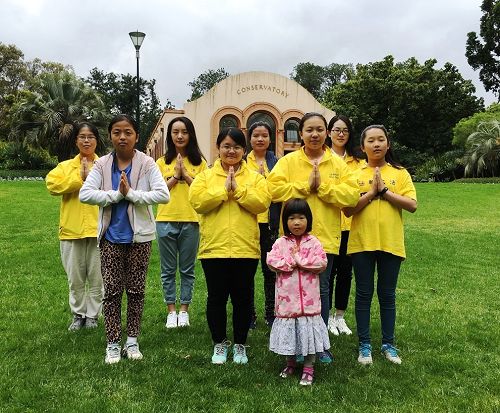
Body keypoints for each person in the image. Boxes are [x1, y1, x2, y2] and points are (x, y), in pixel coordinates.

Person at [267, 112, 359, 363]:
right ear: (301, 133)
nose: (315, 134)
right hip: (291, 240)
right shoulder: (288, 162)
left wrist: (324, 189)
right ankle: (294, 345)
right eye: (309, 130)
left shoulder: (337, 164)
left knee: (321, 290)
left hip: (325, 237)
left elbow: (351, 196)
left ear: (326, 133)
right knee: (291, 290)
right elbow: (273, 190)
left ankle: (319, 346)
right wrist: (305, 188)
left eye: (320, 129)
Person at [80, 114, 170, 364]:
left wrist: (132, 194)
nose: (122, 137)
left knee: (136, 291)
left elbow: (163, 195)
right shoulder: (101, 165)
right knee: (111, 292)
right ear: (110, 135)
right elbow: (85, 194)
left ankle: (131, 341)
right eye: (117, 132)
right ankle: (112, 342)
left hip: (139, 239)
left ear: (136, 136)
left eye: (128, 132)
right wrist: (116, 196)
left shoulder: (147, 163)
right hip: (110, 237)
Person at [189, 127, 271, 365]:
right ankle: (219, 343)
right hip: (214, 248)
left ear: (244, 150)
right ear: (218, 148)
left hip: (245, 248)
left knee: (243, 298)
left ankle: (240, 344)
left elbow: (262, 203)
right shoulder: (205, 176)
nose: (231, 151)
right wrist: (223, 191)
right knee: (216, 298)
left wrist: (239, 190)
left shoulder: (255, 177)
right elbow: (198, 203)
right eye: (226, 146)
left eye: (236, 147)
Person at [343, 125, 417, 366]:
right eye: (371, 140)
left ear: (388, 144)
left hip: (390, 242)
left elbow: (411, 204)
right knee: (363, 294)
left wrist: (384, 191)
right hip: (362, 242)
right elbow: (348, 209)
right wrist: (370, 193)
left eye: (381, 140)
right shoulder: (353, 174)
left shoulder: (400, 173)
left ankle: (388, 344)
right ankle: (364, 345)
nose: (376, 144)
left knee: (387, 295)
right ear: (362, 146)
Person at [46, 122, 103, 331]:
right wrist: (80, 178)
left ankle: (93, 315)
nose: (86, 141)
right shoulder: (65, 167)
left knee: (97, 278)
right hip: (72, 231)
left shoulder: (104, 164)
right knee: (76, 278)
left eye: (90, 137)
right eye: (82, 137)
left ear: (97, 141)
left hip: (99, 230)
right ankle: (78, 314)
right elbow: (52, 185)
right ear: (76, 140)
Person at [267, 198, 329, 386]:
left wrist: (302, 261)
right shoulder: (280, 243)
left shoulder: (314, 242)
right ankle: (290, 362)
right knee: (290, 335)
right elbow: (271, 261)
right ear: (285, 221)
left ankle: (309, 366)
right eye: (292, 218)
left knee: (308, 335)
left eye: (301, 217)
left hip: (309, 304)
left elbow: (322, 262)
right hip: (287, 303)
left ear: (308, 220)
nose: (296, 222)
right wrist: (289, 264)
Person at [156, 117, 207, 329]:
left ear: (191, 135)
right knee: (168, 270)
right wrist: (175, 177)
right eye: (175, 132)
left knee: (187, 269)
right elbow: (158, 193)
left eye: (184, 132)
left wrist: (185, 175)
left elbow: (203, 191)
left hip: (191, 221)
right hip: (165, 219)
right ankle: (171, 311)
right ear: (170, 136)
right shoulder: (160, 163)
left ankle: (184, 310)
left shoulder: (200, 163)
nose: (179, 136)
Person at [326, 115, 365, 336]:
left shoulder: (357, 161)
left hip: (350, 224)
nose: (341, 134)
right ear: (329, 132)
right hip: (328, 222)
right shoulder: (322, 158)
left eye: (345, 131)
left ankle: (339, 316)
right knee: (327, 272)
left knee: (345, 272)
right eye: (337, 130)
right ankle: (326, 314)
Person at [245, 121, 281, 328]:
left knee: (271, 270)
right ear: (250, 139)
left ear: (270, 138)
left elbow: (280, 192)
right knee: (248, 271)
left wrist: (263, 182)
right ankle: (249, 315)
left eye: (264, 135)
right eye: (256, 135)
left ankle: (271, 314)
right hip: (248, 222)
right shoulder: (242, 162)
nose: (260, 139)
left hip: (270, 224)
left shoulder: (277, 163)